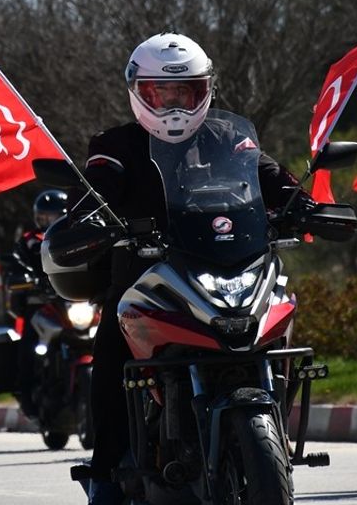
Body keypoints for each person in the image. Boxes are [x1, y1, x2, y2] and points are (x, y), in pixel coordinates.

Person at [72, 33, 305, 505]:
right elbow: (95, 190)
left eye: (188, 92)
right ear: (139, 92)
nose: (176, 105)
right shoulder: (115, 146)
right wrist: (90, 217)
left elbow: (271, 175)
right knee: (114, 355)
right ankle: (107, 475)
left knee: (278, 317)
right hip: (147, 277)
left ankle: (268, 433)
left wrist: (303, 204)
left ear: (207, 91)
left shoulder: (228, 138)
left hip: (229, 264)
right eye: (163, 94)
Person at [3, 189, 69, 418]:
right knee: (30, 348)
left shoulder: (75, 236)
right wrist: (27, 279)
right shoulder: (29, 241)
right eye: (43, 218)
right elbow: (16, 266)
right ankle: (27, 393)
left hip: (70, 303)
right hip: (39, 304)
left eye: (52, 217)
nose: (47, 222)